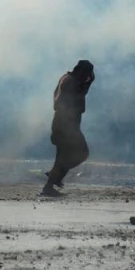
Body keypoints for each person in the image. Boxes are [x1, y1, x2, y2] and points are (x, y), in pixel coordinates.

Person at [43, 60, 95, 197]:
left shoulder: (68, 79)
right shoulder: (71, 82)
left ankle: (51, 182)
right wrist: (88, 84)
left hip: (65, 122)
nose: (87, 77)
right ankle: (56, 175)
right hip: (66, 123)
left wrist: (88, 83)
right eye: (87, 74)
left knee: (61, 157)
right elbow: (77, 96)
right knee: (81, 152)